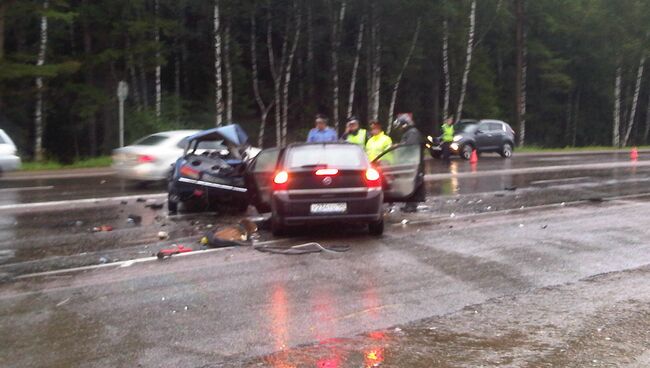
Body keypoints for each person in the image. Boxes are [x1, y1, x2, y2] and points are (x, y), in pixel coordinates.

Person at [392, 114, 425, 213]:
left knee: (414, 183)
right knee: (411, 183)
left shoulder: (412, 133)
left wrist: (399, 147)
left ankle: (412, 205)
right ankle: (409, 204)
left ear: (404, 124)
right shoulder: (410, 133)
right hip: (413, 162)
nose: (400, 129)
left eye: (401, 126)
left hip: (415, 163)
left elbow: (409, 147)